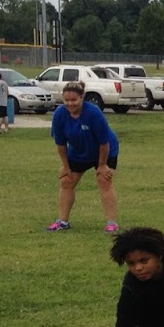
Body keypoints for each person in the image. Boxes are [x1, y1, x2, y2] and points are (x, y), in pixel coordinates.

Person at [48, 82, 120, 234]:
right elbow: (60, 144)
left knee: (103, 180)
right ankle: (62, 222)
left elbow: (104, 143)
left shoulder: (93, 113)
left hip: (105, 151)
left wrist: (101, 166)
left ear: (82, 98)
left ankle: (111, 223)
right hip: (79, 151)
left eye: (74, 100)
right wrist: (65, 166)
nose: (70, 103)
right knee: (66, 181)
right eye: (66, 100)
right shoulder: (60, 115)